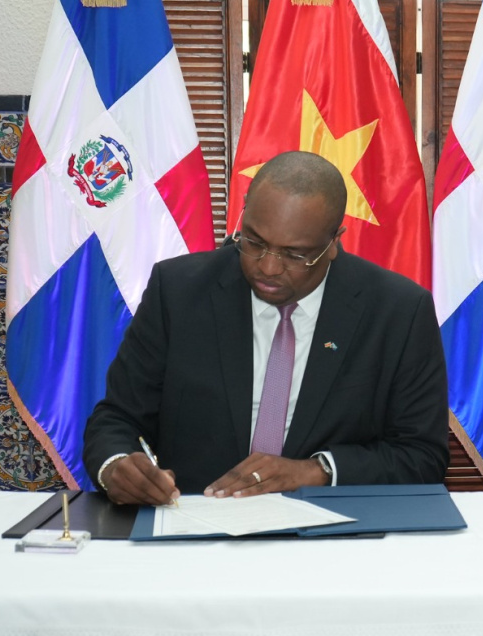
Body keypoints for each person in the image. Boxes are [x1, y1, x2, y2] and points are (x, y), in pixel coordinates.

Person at [84, 151, 448, 505]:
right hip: (196, 518)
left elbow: (422, 456)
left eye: (295, 254)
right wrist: (116, 466)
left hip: (332, 528)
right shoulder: (178, 292)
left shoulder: (397, 312)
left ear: (333, 242)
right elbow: (116, 418)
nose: (268, 268)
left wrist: (317, 472)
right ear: (243, 214)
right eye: (255, 242)